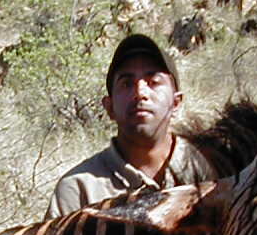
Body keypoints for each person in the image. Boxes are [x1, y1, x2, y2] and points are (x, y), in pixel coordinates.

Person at [47, 33, 216, 217]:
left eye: (153, 82)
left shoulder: (212, 171)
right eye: (127, 84)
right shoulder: (78, 189)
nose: (140, 93)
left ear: (176, 103)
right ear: (109, 107)